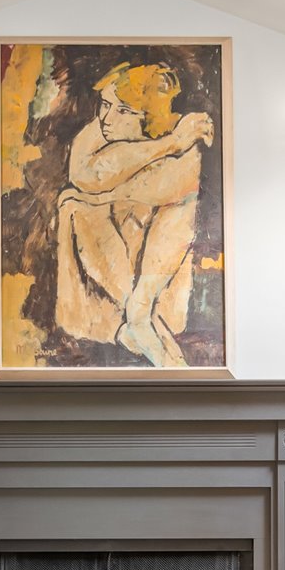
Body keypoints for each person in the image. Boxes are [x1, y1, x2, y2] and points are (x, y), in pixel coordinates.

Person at [53, 61, 213, 366]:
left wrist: (114, 188)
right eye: (105, 105)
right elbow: (85, 174)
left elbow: (170, 190)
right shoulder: (99, 131)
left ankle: (139, 313)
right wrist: (169, 145)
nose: (107, 118)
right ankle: (133, 324)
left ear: (151, 115)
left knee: (178, 207)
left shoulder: (181, 129)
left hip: (152, 282)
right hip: (102, 292)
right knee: (74, 203)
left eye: (124, 110)